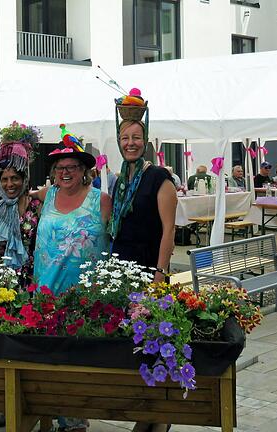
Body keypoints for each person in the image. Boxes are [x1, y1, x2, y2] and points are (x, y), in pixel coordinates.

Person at [111, 91, 175, 432]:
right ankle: (144, 413)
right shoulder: (122, 178)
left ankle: (159, 417)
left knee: (155, 344)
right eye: (125, 137)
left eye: (136, 137)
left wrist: (160, 274)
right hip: (125, 273)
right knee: (134, 346)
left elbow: (168, 230)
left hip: (150, 271)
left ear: (145, 140)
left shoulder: (159, 177)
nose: (130, 143)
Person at [34, 125, 112, 297]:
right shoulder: (48, 194)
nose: (65, 172)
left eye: (72, 167)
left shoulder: (101, 200)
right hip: (46, 292)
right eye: (60, 168)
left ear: (83, 169)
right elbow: (22, 196)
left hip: (89, 296)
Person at [0, 122, 42, 288]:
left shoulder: (37, 206)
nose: (9, 184)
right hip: (2, 282)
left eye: (15, 178)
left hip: (32, 280)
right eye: (4, 179)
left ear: (24, 179)